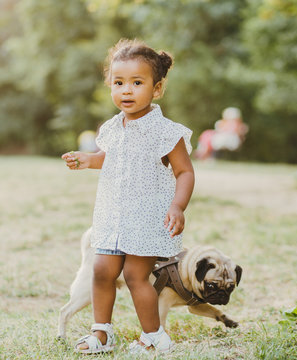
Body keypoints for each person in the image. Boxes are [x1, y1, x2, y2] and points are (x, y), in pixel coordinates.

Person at [61, 38, 194, 354]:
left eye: (137, 82)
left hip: (145, 219)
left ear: (156, 88)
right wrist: (87, 159)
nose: (127, 90)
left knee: (136, 277)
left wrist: (178, 205)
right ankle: (101, 332)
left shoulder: (166, 132)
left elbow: (185, 172)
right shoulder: (111, 127)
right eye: (118, 82)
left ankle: (154, 336)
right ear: (110, 85)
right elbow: (108, 158)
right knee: (101, 270)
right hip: (112, 214)